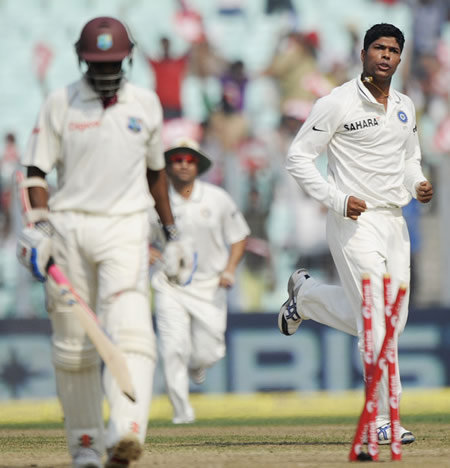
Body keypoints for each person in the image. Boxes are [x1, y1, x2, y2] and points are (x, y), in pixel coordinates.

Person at [16, 17, 192, 468]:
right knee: (73, 346)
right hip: (70, 226)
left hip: (126, 227)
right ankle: (86, 446)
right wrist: (39, 225)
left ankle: (127, 431)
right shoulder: (61, 103)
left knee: (131, 328)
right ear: (81, 60)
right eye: (97, 63)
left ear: (128, 58)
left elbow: (156, 174)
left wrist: (171, 233)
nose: (106, 71)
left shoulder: (146, 104)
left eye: (113, 62)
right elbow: (35, 170)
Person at [278, 23, 433, 446]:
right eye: (379, 48)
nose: (386, 55)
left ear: (401, 59)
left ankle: (306, 298)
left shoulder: (405, 106)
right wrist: (336, 198)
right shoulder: (337, 102)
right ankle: (384, 418)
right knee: (378, 321)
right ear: (363, 53)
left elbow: (410, 157)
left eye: (394, 50)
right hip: (353, 221)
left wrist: (417, 182)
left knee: (391, 323)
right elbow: (298, 157)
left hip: (394, 222)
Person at [151, 138, 250, 424]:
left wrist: (230, 269)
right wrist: (148, 251)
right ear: (167, 167)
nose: (183, 164)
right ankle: (182, 413)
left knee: (208, 352)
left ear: (198, 165)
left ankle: (198, 364)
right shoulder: (155, 200)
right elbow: (140, 236)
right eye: (177, 159)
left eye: (189, 160)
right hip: (170, 284)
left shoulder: (216, 198)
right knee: (172, 349)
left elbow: (239, 236)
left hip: (210, 285)